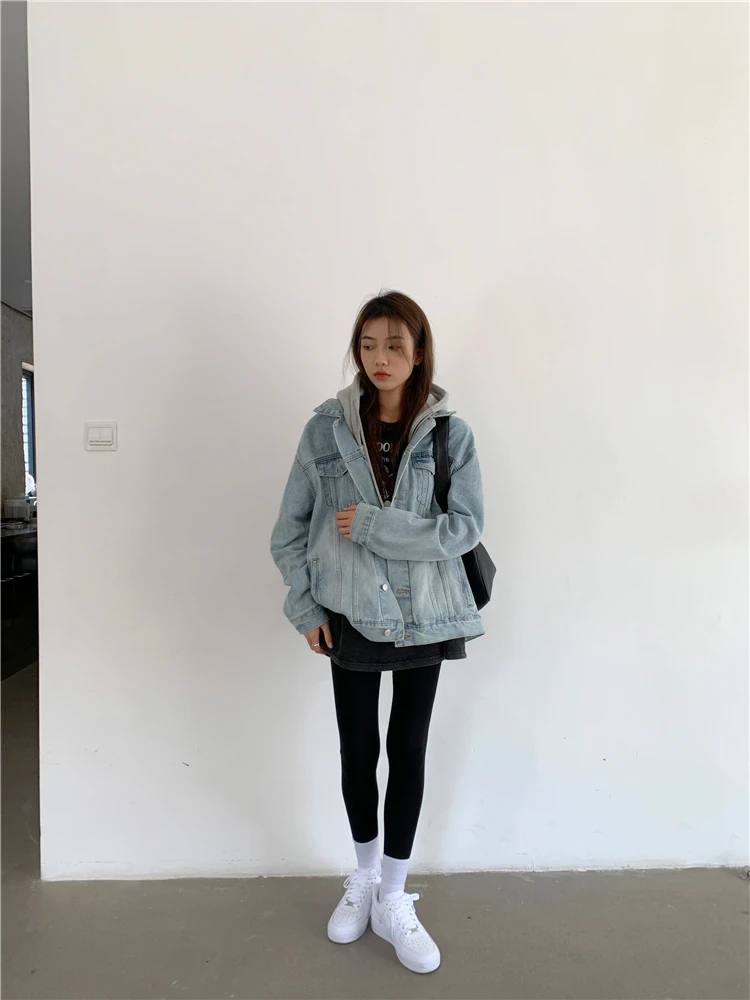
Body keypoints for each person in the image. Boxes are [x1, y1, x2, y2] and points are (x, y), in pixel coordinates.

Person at [270, 290, 485, 974]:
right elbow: (288, 533)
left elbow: (464, 528)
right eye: (368, 345)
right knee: (358, 750)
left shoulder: (450, 434)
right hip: (348, 612)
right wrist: (306, 609)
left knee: (407, 749)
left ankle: (394, 895)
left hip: (427, 613)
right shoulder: (325, 431)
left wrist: (373, 526)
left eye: (395, 344)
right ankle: (364, 878)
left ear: (419, 351)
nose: (380, 358)